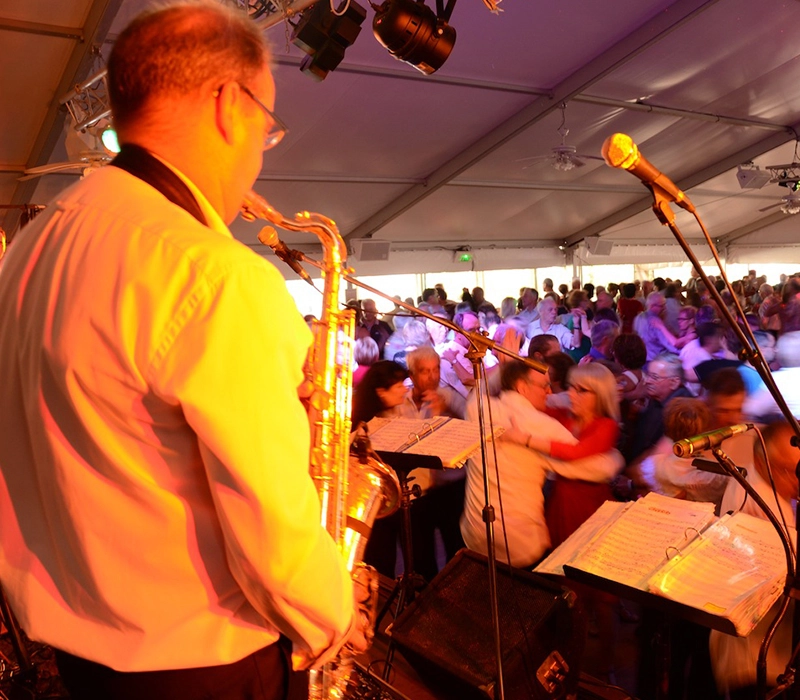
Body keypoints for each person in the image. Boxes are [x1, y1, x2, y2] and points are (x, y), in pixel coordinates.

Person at [0, 4, 365, 699]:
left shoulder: (33, 247)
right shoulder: (213, 273)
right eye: (268, 125)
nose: (261, 148)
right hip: (206, 672)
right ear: (229, 105)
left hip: (82, 662)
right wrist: (337, 615)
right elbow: (276, 544)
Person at [460, 361, 621, 568]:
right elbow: (599, 469)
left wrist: (504, 365)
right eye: (543, 385)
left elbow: (477, 394)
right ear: (522, 387)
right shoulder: (544, 426)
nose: (549, 391)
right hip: (520, 541)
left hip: (475, 531)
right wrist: (616, 459)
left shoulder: (478, 408)